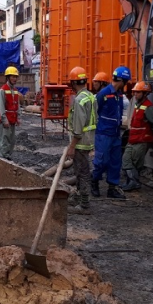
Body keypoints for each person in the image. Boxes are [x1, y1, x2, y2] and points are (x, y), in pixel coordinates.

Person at [91, 65, 131, 200]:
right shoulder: (104, 94)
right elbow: (94, 112)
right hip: (103, 133)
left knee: (115, 162)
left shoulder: (119, 95)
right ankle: (94, 182)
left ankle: (112, 188)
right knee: (101, 160)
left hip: (115, 134)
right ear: (122, 81)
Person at [67, 66, 97, 214]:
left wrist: (71, 146)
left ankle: (84, 204)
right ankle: (79, 197)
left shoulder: (79, 100)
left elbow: (78, 128)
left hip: (80, 142)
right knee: (80, 170)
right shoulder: (91, 96)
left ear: (73, 83)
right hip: (89, 140)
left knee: (82, 172)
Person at [120, 81, 153, 191]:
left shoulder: (148, 107)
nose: (135, 94)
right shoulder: (139, 105)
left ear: (145, 93)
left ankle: (133, 182)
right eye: (135, 92)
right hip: (134, 139)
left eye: (138, 92)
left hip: (141, 140)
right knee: (126, 159)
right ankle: (132, 182)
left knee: (133, 162)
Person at [0, 66, 22, 160]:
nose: (15, 79)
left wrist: (18, 117)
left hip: (12, 119)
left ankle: (8, 156)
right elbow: (1, 107)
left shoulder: (15, 91)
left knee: (12, 140)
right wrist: (4, 120)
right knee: (5, 139)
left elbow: (17, 105)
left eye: (16, 77)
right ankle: (4, 157)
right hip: (5, 120)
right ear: (7, 77)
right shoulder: (2, 90)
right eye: (12, 77)